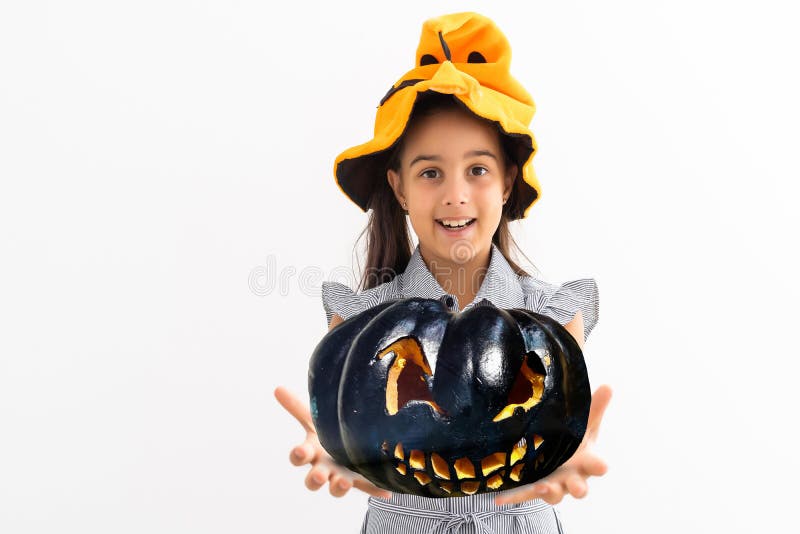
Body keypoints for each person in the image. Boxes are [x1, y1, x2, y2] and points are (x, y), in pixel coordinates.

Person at [274, 12, 612, 533]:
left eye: (477, 170)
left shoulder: (549, 318)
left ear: (506, 183)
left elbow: (558, 422)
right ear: (400, 187)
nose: (455, 194)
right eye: (430, 172)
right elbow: (354, 422)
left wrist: (569, 449)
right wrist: (335, 444)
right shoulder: (363, 323)